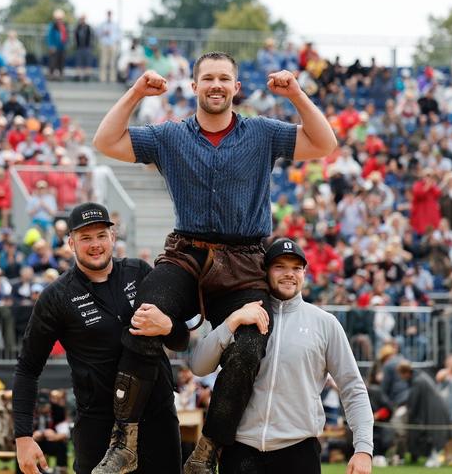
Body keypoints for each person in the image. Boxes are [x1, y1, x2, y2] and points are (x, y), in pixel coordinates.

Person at [91, 52, 337, 472]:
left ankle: (208, 451)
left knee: (248, 346)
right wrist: (135, 91)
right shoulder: (169, 136)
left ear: (236, 88)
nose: (217, 85)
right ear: (194, 86)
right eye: (208, 78)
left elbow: (324, 143)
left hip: (245, 261)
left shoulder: (262, 132)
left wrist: (295, 92)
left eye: (225, 78)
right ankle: (124, 442)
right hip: (187, 252)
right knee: (144, 314)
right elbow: (105, 142)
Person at [14, 202, 189, 474]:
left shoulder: (139, 272)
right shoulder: (57, 296)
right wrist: (23, 437)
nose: (95, 244)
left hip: (157, 418)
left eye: (101, 236)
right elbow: (27, 368)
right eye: (85, 238)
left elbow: (180, 340)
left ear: (113, 237)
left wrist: (168, 325)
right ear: (71, 243)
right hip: (99, 424)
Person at [190, 238, 373, 474]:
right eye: (280, 266)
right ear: (265, 271)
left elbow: (352, 387)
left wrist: (363, 449)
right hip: (241, 451)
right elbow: (198, 366)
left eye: (296, 268)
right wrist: (231, 321)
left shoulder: (325, 323)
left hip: (298, 452)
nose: (289, 274)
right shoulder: (245, 317)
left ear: (305, 273)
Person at [397, 361, 452, 467]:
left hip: (433, 412)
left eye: (401, 374)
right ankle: (433, 457)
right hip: (434, 410)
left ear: (406, 372)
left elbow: (413, 403)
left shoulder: (418, 381)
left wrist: (408, 412)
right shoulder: (420, 377)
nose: (401, 377)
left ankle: (434, 458)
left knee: (431, 435)